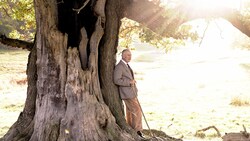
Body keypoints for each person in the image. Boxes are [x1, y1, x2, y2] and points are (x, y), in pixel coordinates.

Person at [113, 49, 143, 138]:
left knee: (130, 112)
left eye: (130, 55)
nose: (130, 57)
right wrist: (129, 82)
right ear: (123, 56)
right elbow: (116, 80)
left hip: (131, 93)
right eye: (128, 55)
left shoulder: (126, 65)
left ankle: (131, 128)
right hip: (127, 93)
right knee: (137, 110)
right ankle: (137, 131)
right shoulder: (119, 66)